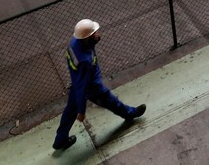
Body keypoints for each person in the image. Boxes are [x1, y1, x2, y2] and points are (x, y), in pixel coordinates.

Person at [52, 19, 146, 150]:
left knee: (69, 112)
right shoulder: (85, 61)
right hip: (93, 88)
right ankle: (130, 114)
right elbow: (82, 87)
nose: (98, 34)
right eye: (94, 33)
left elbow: (78, 83)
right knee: (112, 102)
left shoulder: (75, 43)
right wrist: (82, 111)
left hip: (76, 83)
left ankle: (60, 140)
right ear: (87, 38)